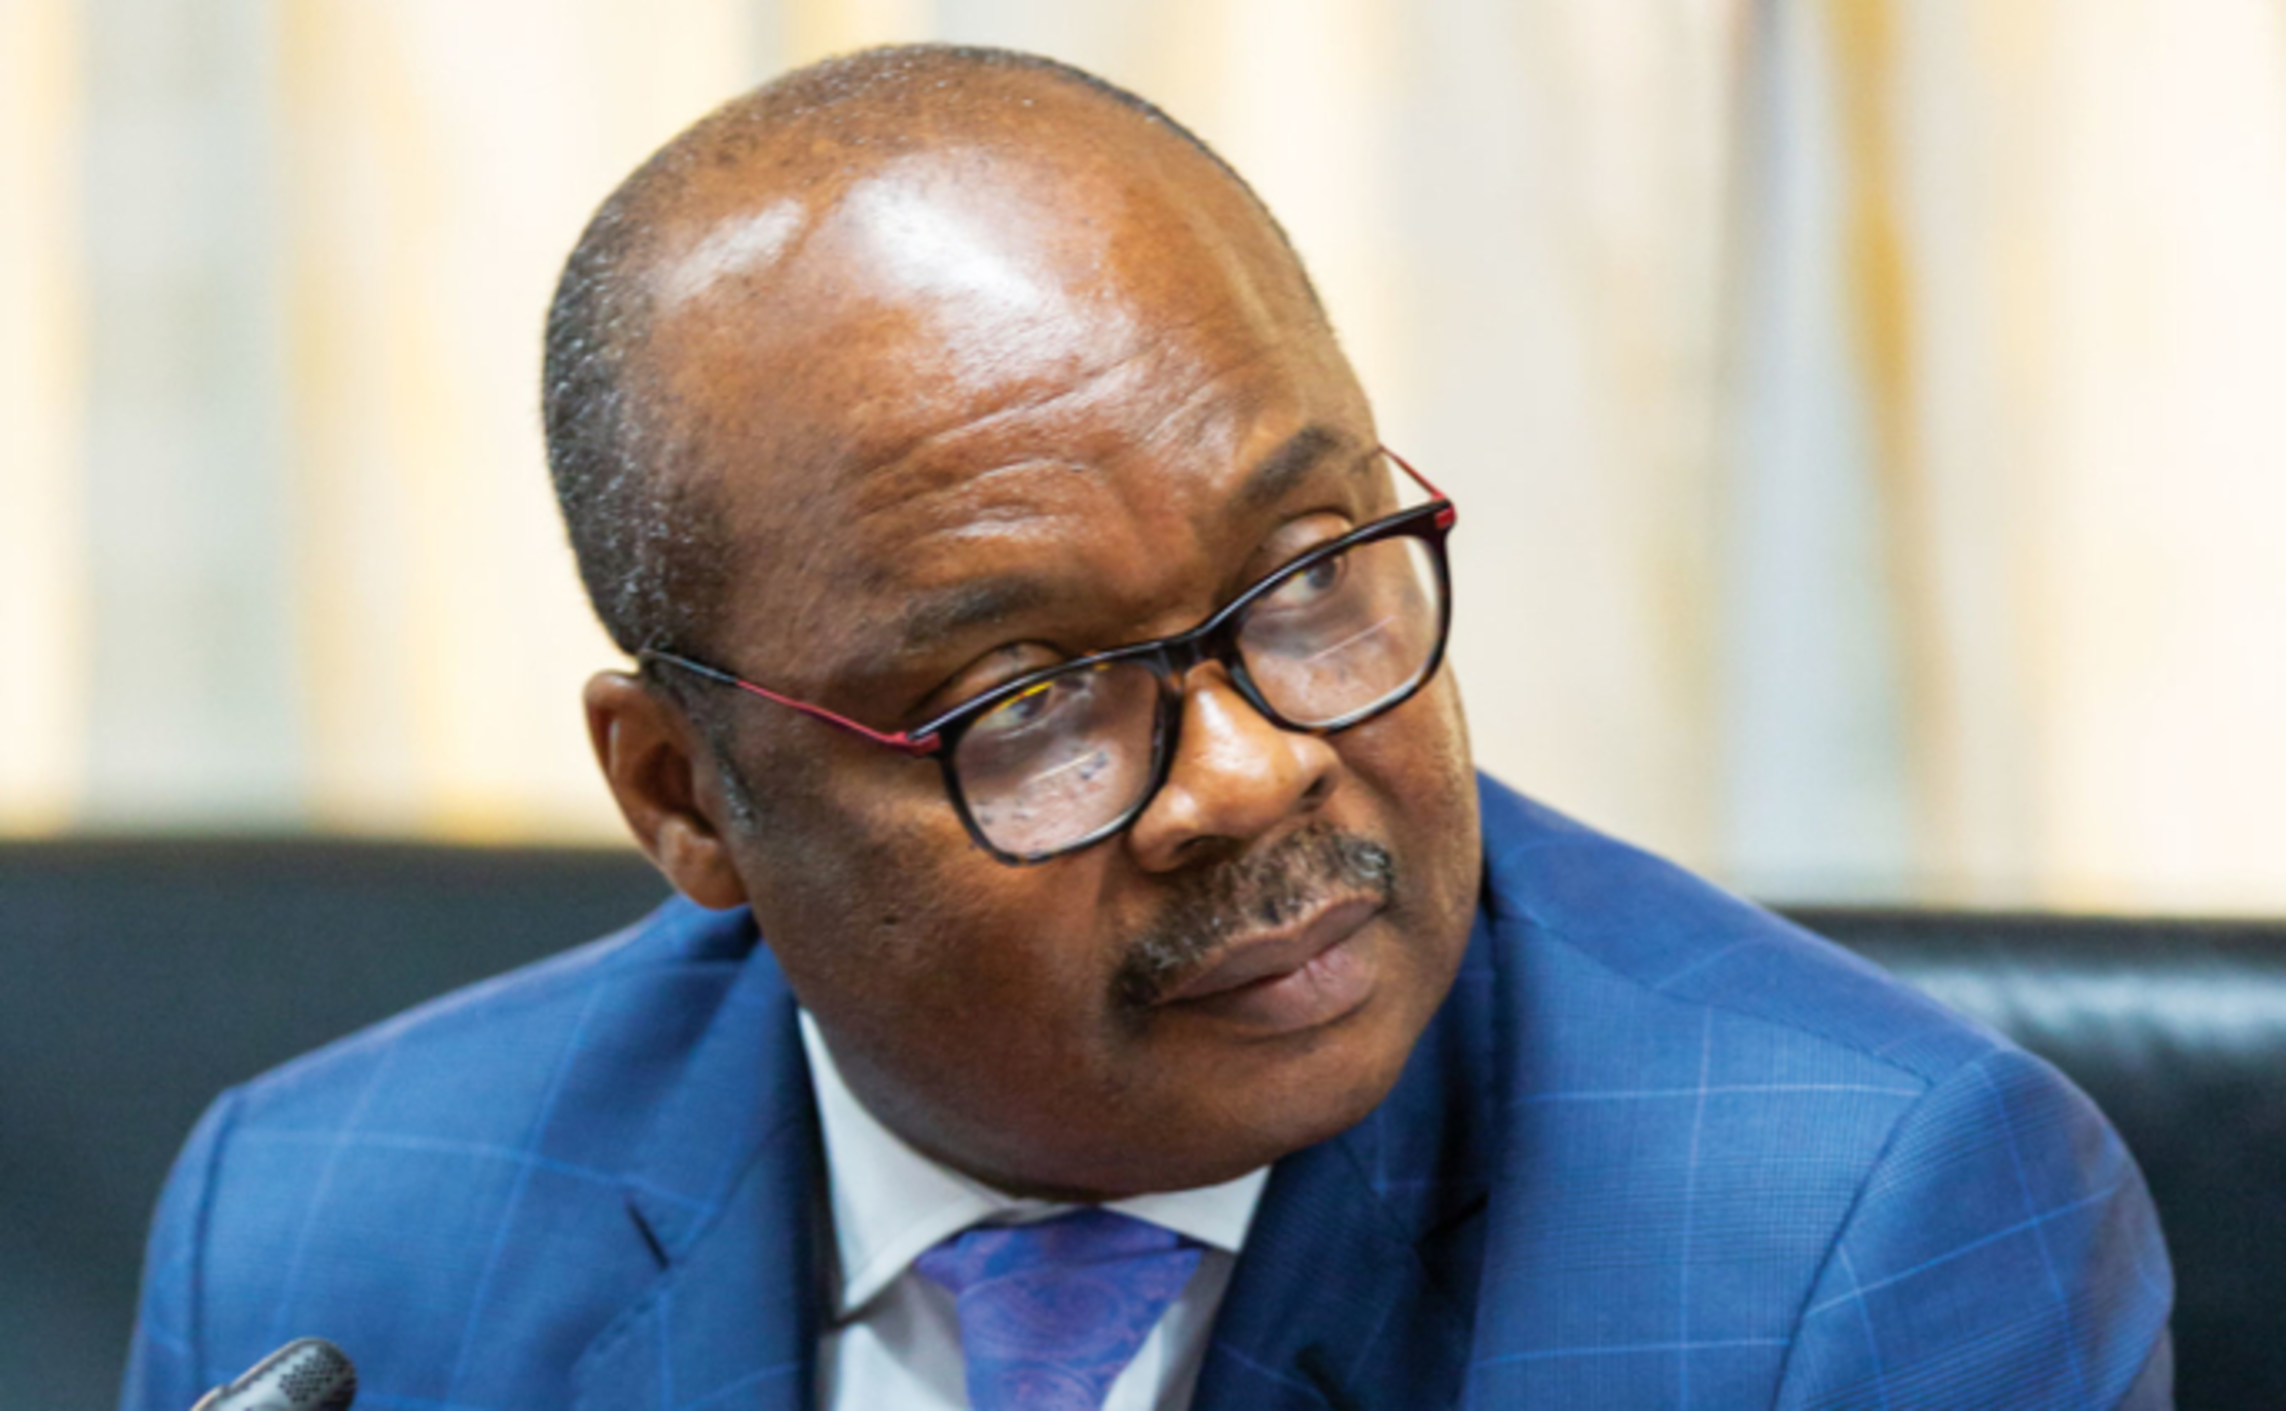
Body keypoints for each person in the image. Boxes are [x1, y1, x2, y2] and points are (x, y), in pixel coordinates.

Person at [121, 44, 2171, 1411]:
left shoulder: (1855, 1240)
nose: (1255, 772)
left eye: (1308, 573)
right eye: (1026, 699)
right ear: (687, 799)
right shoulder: (325, 1235)